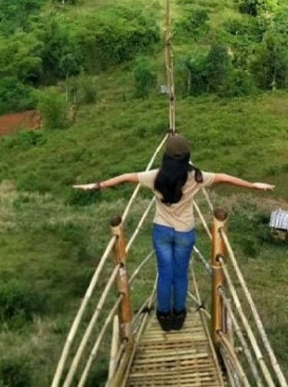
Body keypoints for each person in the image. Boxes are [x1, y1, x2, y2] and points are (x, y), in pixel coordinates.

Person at [73, 133, 274, 332]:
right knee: (180, 275)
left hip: (161, 230)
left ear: (166, 156)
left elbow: (126, 177)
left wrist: (98, 185)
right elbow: (223, 177)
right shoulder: (196, 177)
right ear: (187, 157)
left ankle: (163, 316)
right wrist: (252, 185)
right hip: (185, 232)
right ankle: (178, 315)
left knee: (164, 274)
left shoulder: (155, 176)